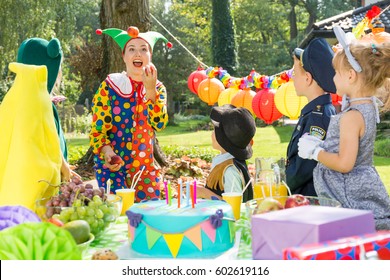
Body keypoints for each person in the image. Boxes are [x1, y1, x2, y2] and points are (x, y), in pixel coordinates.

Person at [298, 26, 390, 230]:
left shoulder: (352, 116)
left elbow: (345, 164)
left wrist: (315, 152)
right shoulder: (367, 106)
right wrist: (324, 145)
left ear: (350, 76)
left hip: (348, 193)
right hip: (359, 186)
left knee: (349, 237)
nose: (332, 79)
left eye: (336, 73)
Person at [90, 26, 170, 202]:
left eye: (143, 49)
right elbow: (98, 130)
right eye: (131, 49)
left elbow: (159, 124)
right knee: (118, 218)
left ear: (150, 56)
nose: (137, 54)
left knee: (148, 219)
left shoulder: (158, 88)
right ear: (123, 56)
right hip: (113, 168)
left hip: (145, 171)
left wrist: (150, 90)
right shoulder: (110, 86)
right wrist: (107, 151)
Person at [16, 37, 79, 182]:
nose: (59, 73)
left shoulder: (20, 100)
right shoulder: (39, 103)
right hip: (43, 179)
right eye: (58, 68)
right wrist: (63, 166)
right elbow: (46, 138)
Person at [285, 38, 337, 196]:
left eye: (295, 73)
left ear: (308, 78)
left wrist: (280, 184)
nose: (292, 77)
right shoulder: (315, 112)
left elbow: (303, 169)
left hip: (308, 200)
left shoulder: (318, 117)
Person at [196, 104, 255, 202]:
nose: (211, 134)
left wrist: (204, 193)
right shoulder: (225, 163)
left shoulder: (230, 170)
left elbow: (234, 205)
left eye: (215, 131)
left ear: (224, 140)